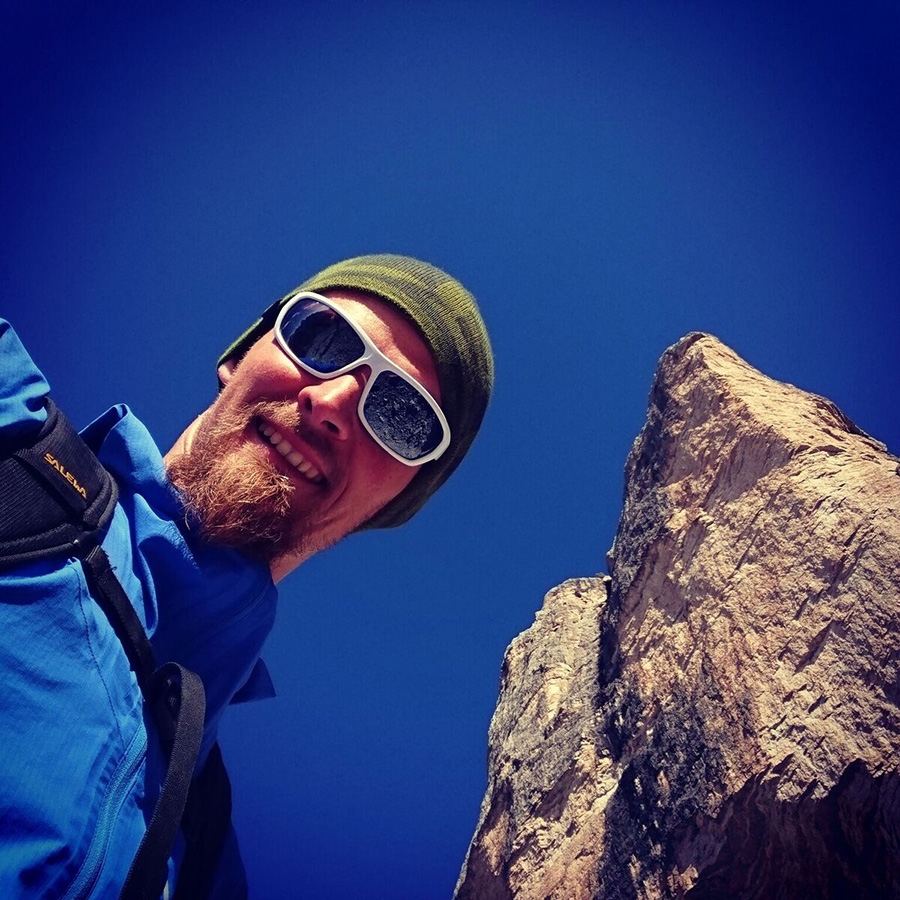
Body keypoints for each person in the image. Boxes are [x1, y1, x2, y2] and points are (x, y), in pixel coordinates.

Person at [0, 254, 493, 899]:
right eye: (323, 339)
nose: (333, 401)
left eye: (401, 416)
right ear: (242, 355)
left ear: (392, 504)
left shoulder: (204, 859)